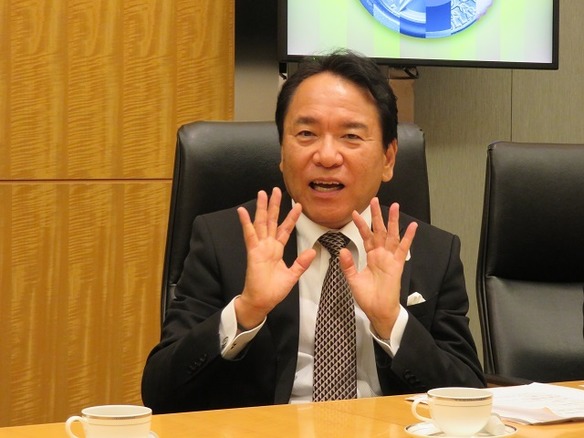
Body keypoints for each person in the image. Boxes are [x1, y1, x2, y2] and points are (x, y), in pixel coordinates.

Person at [141, 50, 485, 413]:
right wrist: (246, 311)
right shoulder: (225, 241)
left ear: (388, 159)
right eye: (306, 134)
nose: (326, 156)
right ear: (282, 151)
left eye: (351, 136)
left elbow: (470, 397)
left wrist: (392, 322)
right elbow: (160, 393)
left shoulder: (433, 252)